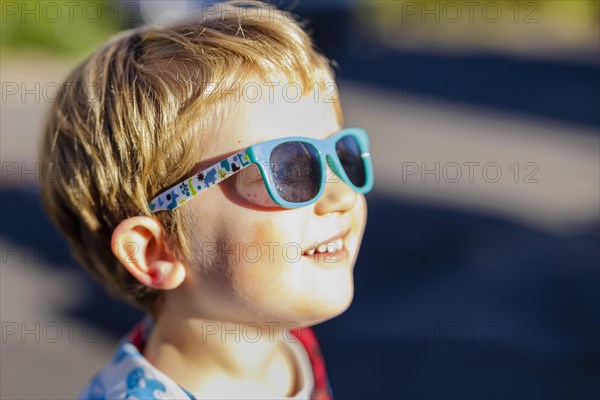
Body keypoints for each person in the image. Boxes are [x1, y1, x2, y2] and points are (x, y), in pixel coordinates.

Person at [39, 1, 373, 398]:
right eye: (289, 169)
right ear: (157, 251)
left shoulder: (288, 340)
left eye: (343, 155)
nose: (342, 194)